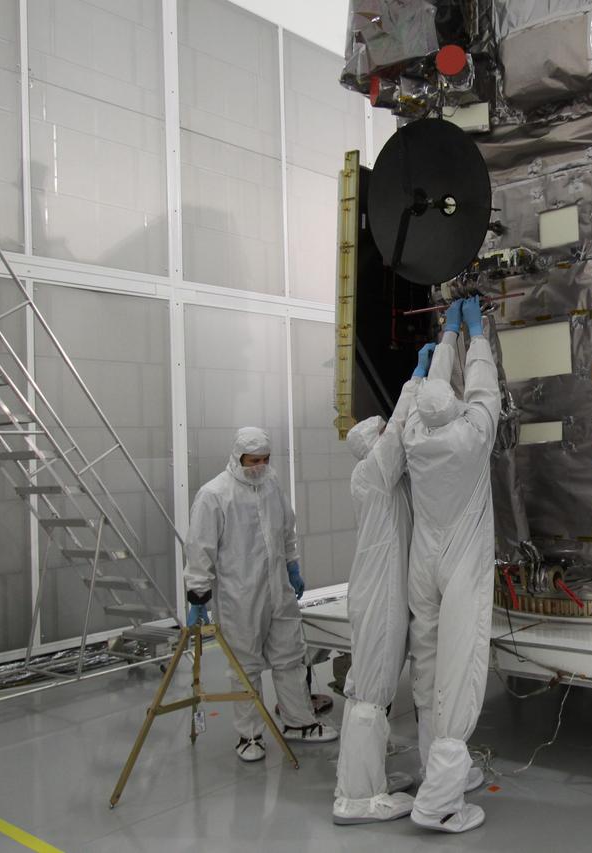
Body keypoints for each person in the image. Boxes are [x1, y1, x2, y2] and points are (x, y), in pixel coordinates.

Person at [404, 295, 501, 833]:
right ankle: (440, 802)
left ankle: (434, 772)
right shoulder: (469, 437)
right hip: (461, 563)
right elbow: (484, 390)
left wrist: (444, 339)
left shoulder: (416, 438)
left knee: (427, 664)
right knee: (460, 668)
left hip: (425, 563)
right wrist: (476, 334)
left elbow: (425, 398)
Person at [184, 427, 336, 762]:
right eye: (254, 460)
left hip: (277, 589)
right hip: (239, 596)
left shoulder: (271, 484)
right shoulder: (215, 495)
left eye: (266, 460)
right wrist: (198, 596)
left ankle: (297, 722)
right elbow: (200, 549)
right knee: (244, 666)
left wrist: (292, 566)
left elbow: (286, 529)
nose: (260, 466)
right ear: (237, 457)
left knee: (290, 657)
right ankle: (249, 736)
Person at [332, 342, 435, 825]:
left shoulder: (386, 484)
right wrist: (415, 382)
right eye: (382, 436)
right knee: (371, 693)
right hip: (378, 595)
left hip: (384, 591)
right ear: (370, 446)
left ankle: (368, 778)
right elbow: (397, 437)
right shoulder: (371, 474)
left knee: (370, 692)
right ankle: (356, 797)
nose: (391, 441)